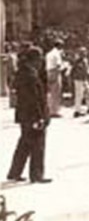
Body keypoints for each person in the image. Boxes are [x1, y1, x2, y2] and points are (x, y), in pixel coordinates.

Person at [6, 46, 52, 183]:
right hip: (33, 115)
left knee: (25, 144)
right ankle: (37, 175)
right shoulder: (30, 76)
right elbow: (34, 99)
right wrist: (40, 117)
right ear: (35, 60)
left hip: (25, 115)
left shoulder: (23, 72)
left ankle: (15, 172)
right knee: (38, 146)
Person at [45, 40, 63, 117]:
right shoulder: (57, 54)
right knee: (56, 92)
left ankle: (49, 109)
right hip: (55, 72)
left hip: (49, 72)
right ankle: (54, 111)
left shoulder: (48, 54)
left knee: (50, 92)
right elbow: (58, 65)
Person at [70, 47, 89, 117]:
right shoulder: (77, 61)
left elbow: (86, 70)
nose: (83, 54)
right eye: (82, 53)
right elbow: (73, 70)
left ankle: (83, 108)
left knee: (83, 94)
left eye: (84, 52)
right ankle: (77, 111)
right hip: (78, 79)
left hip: (84, 79)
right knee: (78, 95)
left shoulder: (85, 60)